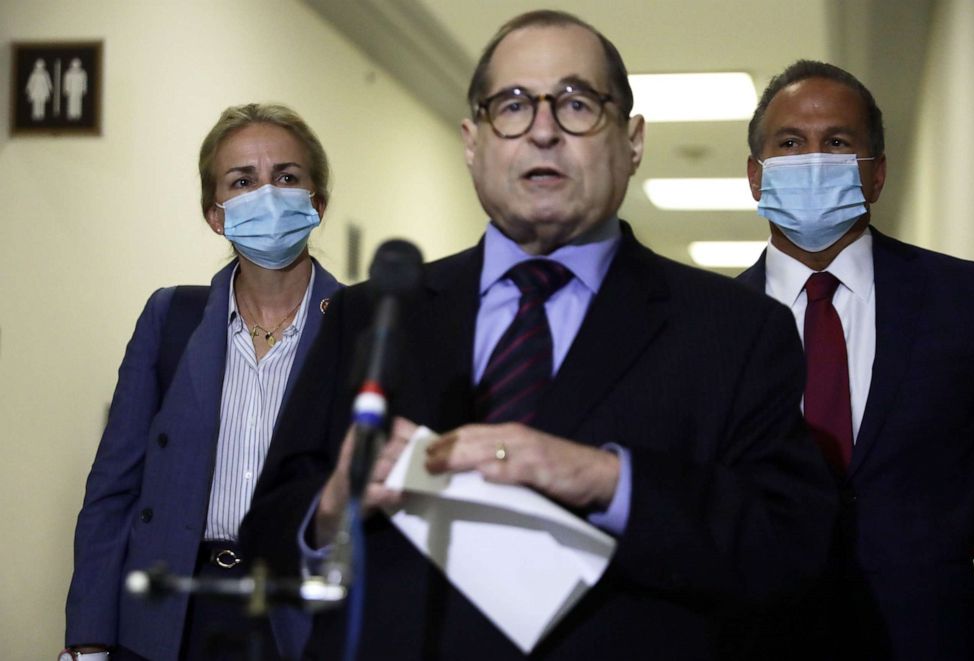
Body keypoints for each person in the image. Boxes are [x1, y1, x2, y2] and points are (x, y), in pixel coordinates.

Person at [241, 12, 836, 660]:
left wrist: (607, 477)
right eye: (514, 105)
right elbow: (270, 531)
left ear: (632, 140)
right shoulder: (372, 313)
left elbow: (790, 549)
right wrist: (330, 507)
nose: (544, 130)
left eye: (578, 103)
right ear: (472, 141)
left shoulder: (736, 329)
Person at [63, 103, 343, 660]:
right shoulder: (172, 319)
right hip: (173, 619)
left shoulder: (362, 328)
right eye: (243, 181)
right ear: (215, 213)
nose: (266, 194)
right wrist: (88, 641)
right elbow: (113, 490)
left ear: (318, 201)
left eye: (286, 177)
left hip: (303, 622)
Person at [738, 60, 974, 659]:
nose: (813, 159)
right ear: (756, 175)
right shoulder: (710, 327)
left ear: (876, 175)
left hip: (935, 637)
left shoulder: (972, 304)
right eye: (791, 143)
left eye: (838, 142)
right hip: (762, 639)